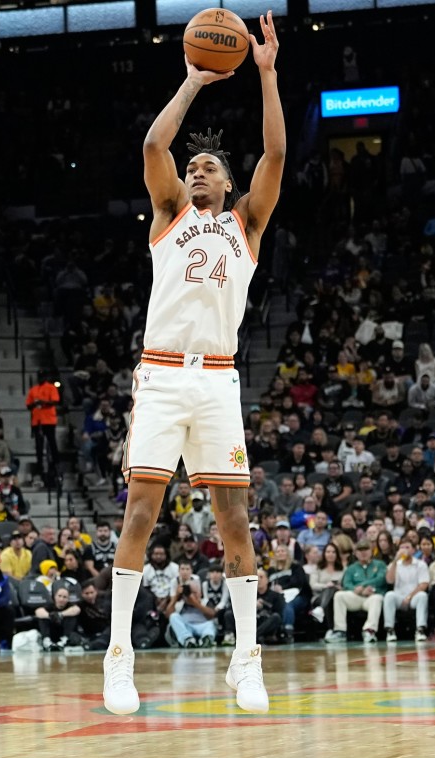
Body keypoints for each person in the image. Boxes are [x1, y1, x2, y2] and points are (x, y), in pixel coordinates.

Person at [105, 13, 283, 716]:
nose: (196, 168)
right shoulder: (170, 212)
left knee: (233, 518)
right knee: (142, 511)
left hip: (217, 379)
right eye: (193, 164)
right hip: (161, 374)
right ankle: (119, 658)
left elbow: (275, 156)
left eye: (210, 165)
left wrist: (266, 74)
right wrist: (191, 80)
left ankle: (247, 659)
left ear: (228, 183)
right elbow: (154, 142)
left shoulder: (246, 224)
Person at [324, 541, 387, 644]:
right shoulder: (351, 568)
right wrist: (356, 589)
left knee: (377, 599)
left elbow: (381, 579)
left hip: (372, 595)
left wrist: (364, 586)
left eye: (366, 550)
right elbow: (346, 583)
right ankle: (340, 631)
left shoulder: (380, 564)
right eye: (360, 550)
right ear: (355, 553)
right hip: (356, 597)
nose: (363, 553)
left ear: (371, 551)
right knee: (339, 595)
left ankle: (369, 630)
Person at [383, 540, 430, 642]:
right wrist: (395, 561)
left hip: (414, 597)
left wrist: (410, 596)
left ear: (413, 550)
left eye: (407, 547)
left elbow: (423, 585)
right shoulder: (395, 564)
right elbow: (389, 580)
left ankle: (420, 630)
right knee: (389, 595)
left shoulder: (421, 564)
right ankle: (390, 630)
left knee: (423, 596)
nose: (404, 550)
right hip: (399, 597)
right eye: (402, 547)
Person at [25, 369, 61, 486]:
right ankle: (40, 463)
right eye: (40, 376)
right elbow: (28, 405)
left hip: (49, 419)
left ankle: (56, 461)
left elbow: (55, 401)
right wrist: (36, 404)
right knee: (39, 444)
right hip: (37, 420)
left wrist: (42, 402)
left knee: (51, 441)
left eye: (43, 376)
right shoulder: (33, 389)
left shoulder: (51, 387)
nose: (41, 378)